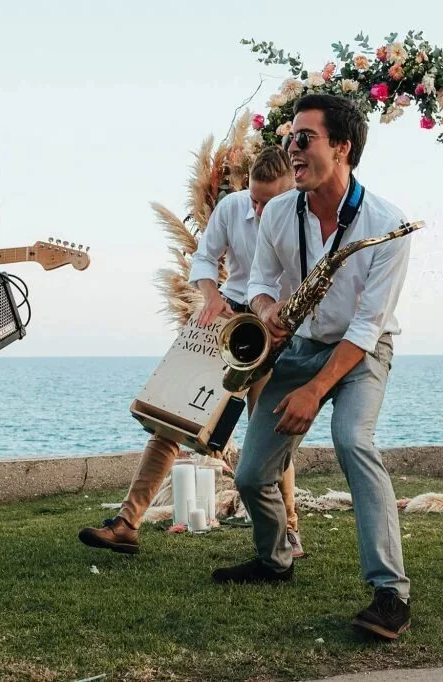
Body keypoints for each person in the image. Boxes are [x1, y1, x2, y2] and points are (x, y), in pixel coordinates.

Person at [211, 94, 415, 642]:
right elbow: (258, 281)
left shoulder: (387, 224)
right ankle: (275, 560)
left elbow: (368, 327)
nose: (290, 150)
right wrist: (266, 310)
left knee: (354, 443)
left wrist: (317, 389)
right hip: (299, 346)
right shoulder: (279, 210)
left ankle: (390, 592)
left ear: (342, 147)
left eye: (303, 139)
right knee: (253, 474)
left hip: (361, 353)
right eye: (286, 140)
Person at [77, 147, 307, 556]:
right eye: (253, 197)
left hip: (277, 330)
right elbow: (203, 257)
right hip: (229, 321)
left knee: (269, 433)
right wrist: (210, 294)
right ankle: (127, 523)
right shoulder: (233, 206)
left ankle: (288, 528)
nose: (256, 206)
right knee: (172, 421)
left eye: (267, 201)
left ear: (291, 188)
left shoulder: (304, 219)